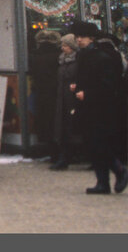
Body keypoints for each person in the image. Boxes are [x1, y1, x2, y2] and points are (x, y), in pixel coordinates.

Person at [70, 21, 128, 194]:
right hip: (87, 108)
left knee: (99, 144)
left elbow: (109, 85)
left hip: (101, 109)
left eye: (82, 37)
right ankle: (103, 182)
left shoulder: (102, 57)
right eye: (77, 37)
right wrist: (77, 87)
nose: (79, 40)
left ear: (91, 38)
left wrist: (87, 93)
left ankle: (119, 171)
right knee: (92, 145)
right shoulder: (83, 56)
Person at [29, 29, 62, 165]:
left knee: (44, 121)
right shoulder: (58, 56)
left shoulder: (34, 56)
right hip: (55, 93)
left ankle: (48, 149)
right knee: (56, 122)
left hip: (41, 92)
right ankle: (57, 152)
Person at [52, 32, 82, 170]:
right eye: (62, 45)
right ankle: (64, 156)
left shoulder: (78, 61)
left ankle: (72, 154)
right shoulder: (62, 60)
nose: (63, 48)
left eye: (66, 45)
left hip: (72, 97)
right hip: (62, 97)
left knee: (71, 125)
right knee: (62, 126)